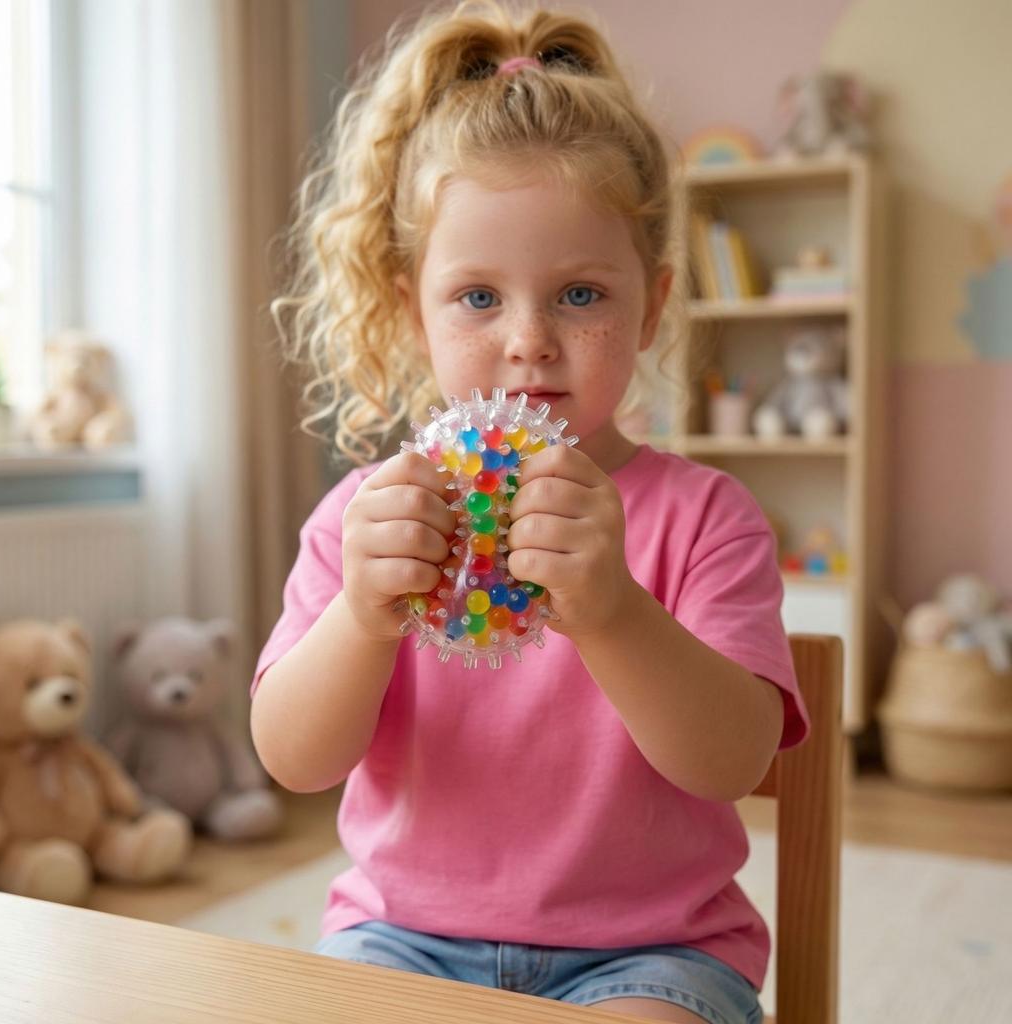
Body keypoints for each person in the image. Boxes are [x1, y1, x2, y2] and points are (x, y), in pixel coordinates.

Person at [250, 3, 810, 1021]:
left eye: (582, 295)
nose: (529, 341)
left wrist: (612, 612)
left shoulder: (707, 517)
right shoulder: (364, 518)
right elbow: (293, 758)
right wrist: (362, 618)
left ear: (651, 302)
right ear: (406, 305)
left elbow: (734, 759)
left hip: (653, 955)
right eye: (476, 296)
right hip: (398, 937)